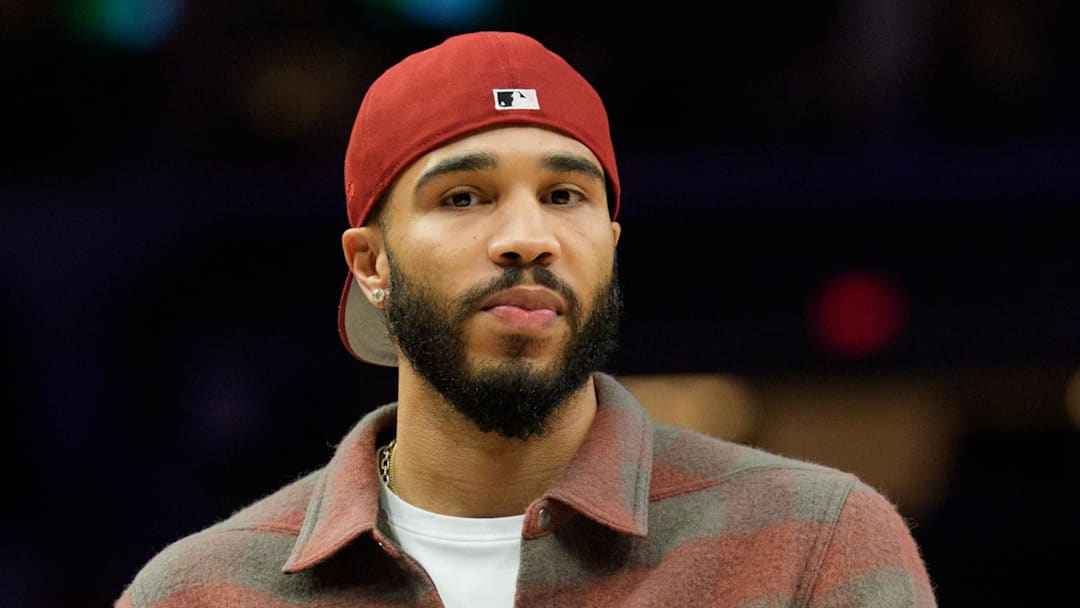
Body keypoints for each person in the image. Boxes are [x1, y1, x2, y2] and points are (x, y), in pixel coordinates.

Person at [115, 31, 937, 607]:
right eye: (464, 196)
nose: (525, 238)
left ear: (609, 245)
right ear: (370, 264)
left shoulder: (815, 545)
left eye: (565, 195)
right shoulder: (198, 592)